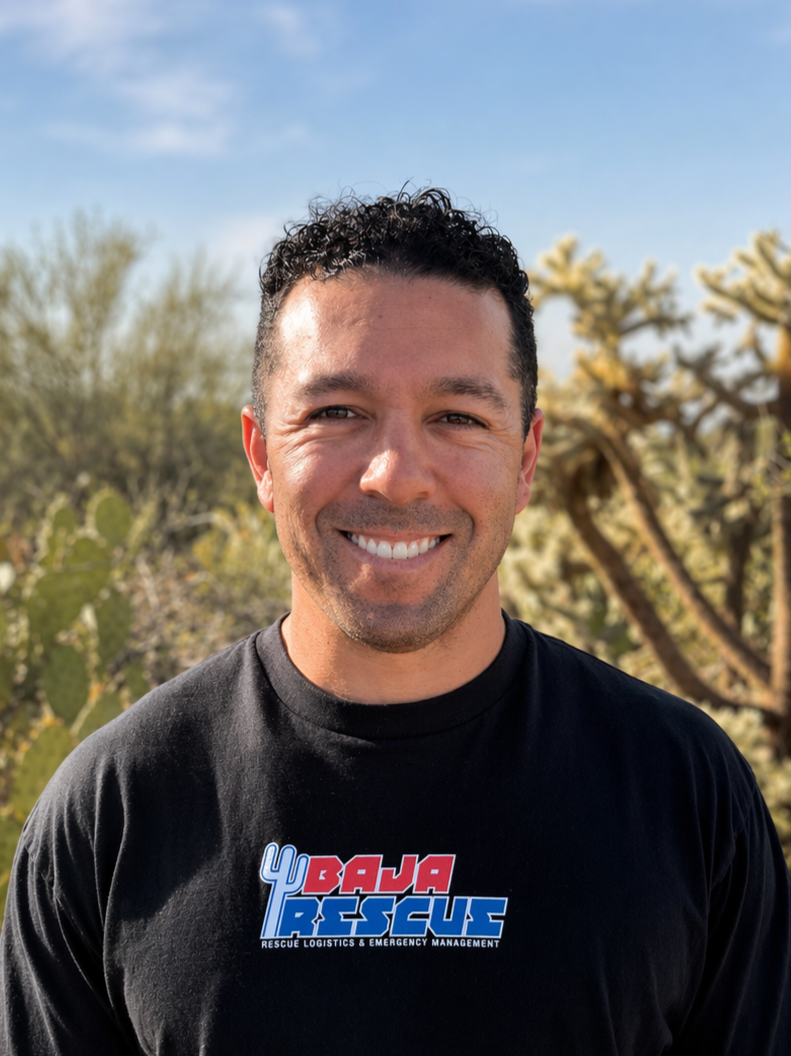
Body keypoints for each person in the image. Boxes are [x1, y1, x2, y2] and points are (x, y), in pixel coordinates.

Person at [1, 189, 789, 1055]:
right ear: (261, 454)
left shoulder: (682, 790)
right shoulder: (113, 811)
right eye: (337, 413)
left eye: (457, 417)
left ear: (525, 460)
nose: (395, 474)